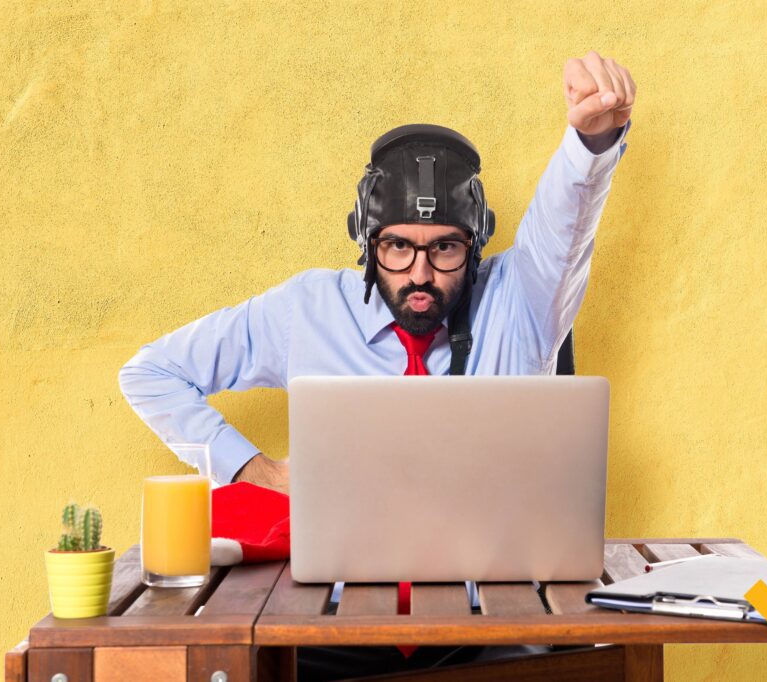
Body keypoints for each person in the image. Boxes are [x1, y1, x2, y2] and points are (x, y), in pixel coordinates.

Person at [119, 50, 635, 681]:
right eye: (397, 247)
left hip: (495, 619)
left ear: (475, 247)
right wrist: (253, 470)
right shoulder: (305, 308)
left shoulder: (523, 298)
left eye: (444, 247)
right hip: (333, 621)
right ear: (367, 244)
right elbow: (150, 372)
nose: (420, 274)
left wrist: (593, 137)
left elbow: (567, 218)